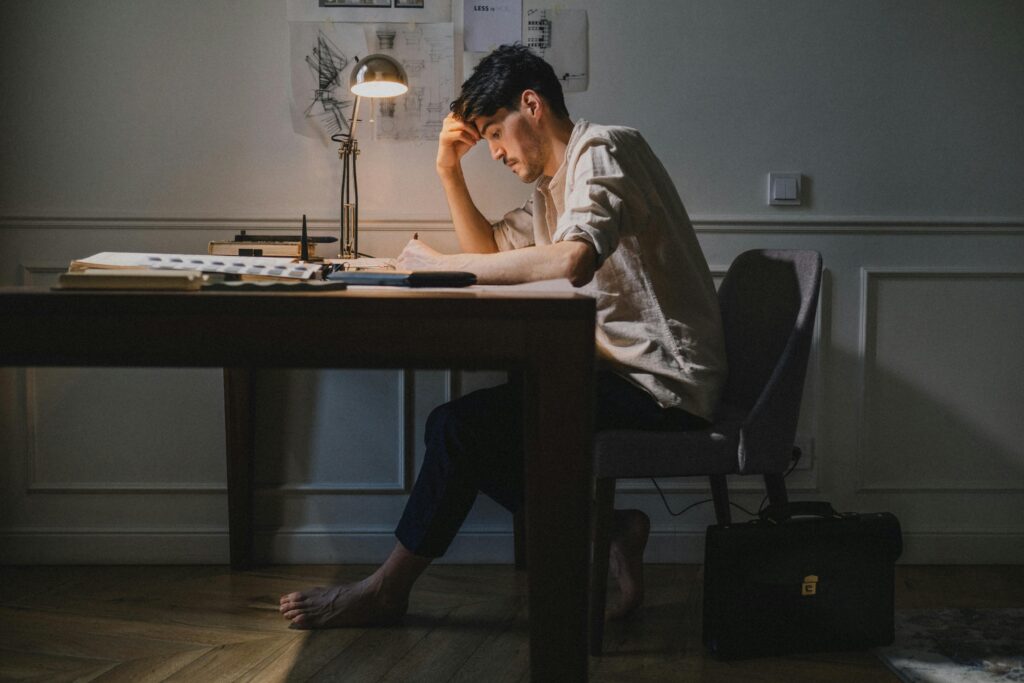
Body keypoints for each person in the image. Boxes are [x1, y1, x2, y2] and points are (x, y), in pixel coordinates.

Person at [280, 43, 726, 629]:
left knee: (462, 428)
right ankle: (609, 529)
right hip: (619, 377)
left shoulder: (605, 148)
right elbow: (489, 251)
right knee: (457, 427)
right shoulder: (551, 188)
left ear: (532, 105)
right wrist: (447, 169)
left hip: (664, 387)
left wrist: (433, 267)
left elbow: (572, 260)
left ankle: (388, 588)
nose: (491, 152)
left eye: (494, 132)